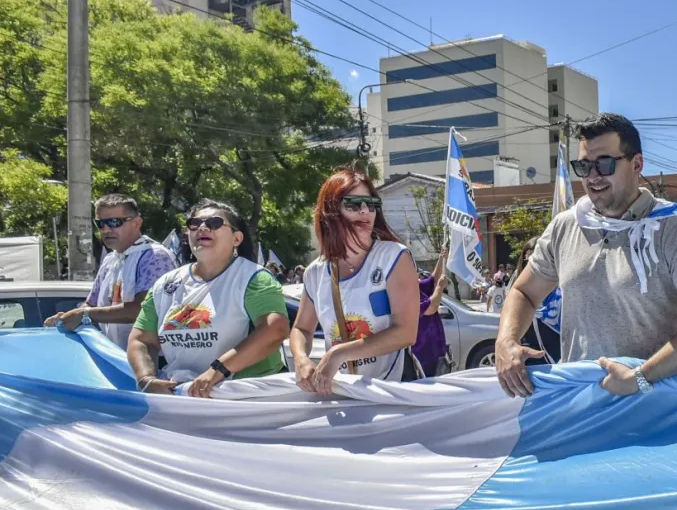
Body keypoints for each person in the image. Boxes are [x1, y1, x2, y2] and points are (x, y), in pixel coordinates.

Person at [496, 112, 677, 397]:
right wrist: (506, 340)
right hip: (581, 404)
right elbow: (524, 292)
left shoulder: (674, 229)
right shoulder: (566, 225)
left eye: (605, 164)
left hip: (657, 406)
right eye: (583, 167)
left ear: (637, 164)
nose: (593, 177)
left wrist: (641, 377)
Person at [128, 200, 290, 397]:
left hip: (243, 399)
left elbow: (275, 330)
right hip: (181, 397)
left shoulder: (254, 278)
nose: (202, 228)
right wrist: (146, 379)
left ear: (236, 238)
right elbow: (142, 340)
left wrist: (217, 371)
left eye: (214, 223)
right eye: (194, 224)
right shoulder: (165, 284)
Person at [290, 169, 419, 393]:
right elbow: (301, 328)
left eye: (371, 204)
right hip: (340, 392)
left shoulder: (394, 257)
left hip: (392, 391)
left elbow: (406, 332)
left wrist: (337, 354)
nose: (365, 211)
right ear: (330, 210)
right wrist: (301, 359)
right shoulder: (315, 273)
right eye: (353, 203)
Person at [44, 193, 175, 348]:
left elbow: (143, 309)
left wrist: (84, 315)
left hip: (152, 360)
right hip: (117, 356)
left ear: (137, 223)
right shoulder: (110, 260)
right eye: (100, 224)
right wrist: (68, 316)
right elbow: (91, 304)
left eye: (114, 222)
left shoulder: (154, 255)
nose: (106, 229)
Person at [413, 249, 451, 377]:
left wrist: (441, 258)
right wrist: (440, 287)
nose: (419, 275)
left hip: (434, 349)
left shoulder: (417, 287)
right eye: (416, 272)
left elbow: (433, 279)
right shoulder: (408, 294)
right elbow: (431, 308)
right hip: (422, 353)